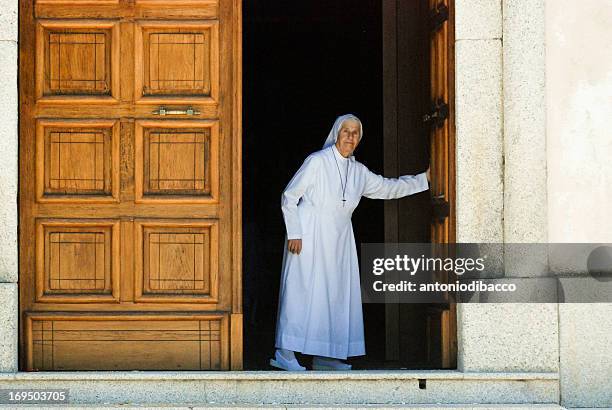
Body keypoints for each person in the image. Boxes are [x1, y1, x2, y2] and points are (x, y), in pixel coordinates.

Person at [270, 114, 431, 371]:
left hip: (340, 240)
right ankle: (285, 353)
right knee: (302, 291)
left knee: (335, 295)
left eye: (356, 133)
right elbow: (289, 195)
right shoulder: (317, 162)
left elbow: (388, 188)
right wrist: (295, 233)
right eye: (346, 131)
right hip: (309, 234)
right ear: (337, 133)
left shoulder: (358, 172)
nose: (350, 137)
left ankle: (326, 355)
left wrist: (424, 180)